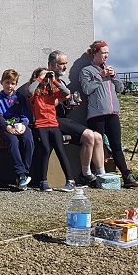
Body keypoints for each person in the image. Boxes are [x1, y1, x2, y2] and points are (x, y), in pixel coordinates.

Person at [80, 41, 138, 188]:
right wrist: (100, 76)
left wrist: (114, 76)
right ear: (95, 53)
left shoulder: (109, 69)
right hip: (96, 114)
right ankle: (95, 175)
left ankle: (126, 175)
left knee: (116, 145)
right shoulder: (87, 71)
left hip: (112, 113)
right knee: (97, 146)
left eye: (107, 53)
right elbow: (86, 89)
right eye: (103, 53)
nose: (106, 56)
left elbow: (120, 88)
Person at [46, 51, 106, 187]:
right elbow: (44, 105)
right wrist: (63, 99)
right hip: (51, 120)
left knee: (98, 137)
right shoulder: (46, 81)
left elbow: (61, 104)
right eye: (61, 64)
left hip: (63, 119)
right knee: (90, 136)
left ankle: (101, 175)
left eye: (66, 63)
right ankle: (85, 174)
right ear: (51, 65)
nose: (65, 67)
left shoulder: (60, 81)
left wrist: (70, 104)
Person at [29, 68, 76, 192]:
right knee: (45, 149)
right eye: (42, 77)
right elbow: (29, 90)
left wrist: (54, 80)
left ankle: (70, 181)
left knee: (60, 150)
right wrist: (40, 78)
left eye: (46, 78)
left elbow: (66, 93)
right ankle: (43, 181)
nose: (45, 80)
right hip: (40, 125)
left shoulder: (53, 91)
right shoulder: (35, 92)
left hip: (53, 124)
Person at [0, 69, 35, 191]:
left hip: (19, 124)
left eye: (12, 83)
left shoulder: (19, 97)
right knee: (13, 141)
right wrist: (7, 127)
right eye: (7, 82)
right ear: (2, 82)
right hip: (4, 126)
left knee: (28, 139)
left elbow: (25, 115)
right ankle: (21, 174)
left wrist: (24, 125)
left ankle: (25, 173)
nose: (9, 86)